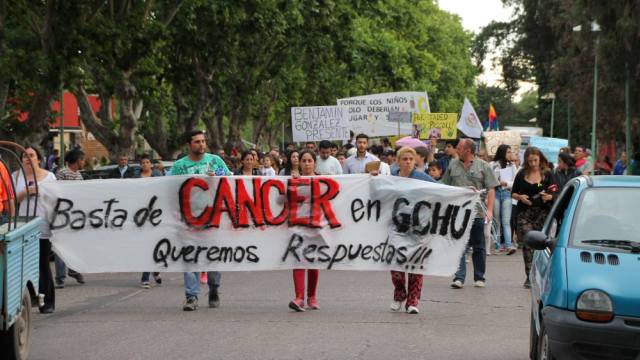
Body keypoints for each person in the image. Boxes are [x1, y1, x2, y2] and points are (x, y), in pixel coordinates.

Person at [171, 130, 232, 311]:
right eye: (197, 142)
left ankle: (214, 289)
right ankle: (191, 296)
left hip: (213, 216)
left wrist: (218, 178)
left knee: (213, 256)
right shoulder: (179, 166)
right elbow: (167, 186)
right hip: (188, 218)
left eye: (203, 141)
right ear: (189, 145)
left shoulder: (215, 161)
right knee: (190, 257)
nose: (201, 145)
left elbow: (231, 179)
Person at [441, 138, 498, 289]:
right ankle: (459, 277)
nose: (456, 149)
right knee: (459, 244)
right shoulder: (452, 165)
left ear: (468, 150)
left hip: (477, 212)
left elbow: (491, 188)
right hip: (457, 212)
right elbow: (444, 185)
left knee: (479, 246)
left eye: (459, 147)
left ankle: (480, 277)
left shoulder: (484, 166)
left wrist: (490, 210)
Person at [389, 147, 435, 314]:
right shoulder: (391, 176)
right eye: (404, 159)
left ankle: (413, 300)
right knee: (396, 264)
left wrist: (464, 190)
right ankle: (399, 293)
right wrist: (372, 178)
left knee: (416, 264)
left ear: (415, 161)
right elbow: (377, 192)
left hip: (418, 228)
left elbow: (442, 189)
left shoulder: (422, 177)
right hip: (397, 227)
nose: (408, 162)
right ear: (398, 160)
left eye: (411, 159)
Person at [12, 146, 56, 313]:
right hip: (23, 227)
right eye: (24, 156)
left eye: (31, 155)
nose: (28, 159)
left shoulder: (49, 176)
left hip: (43, 226)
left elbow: (56, 199)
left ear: (38, 159)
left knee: (42, 264)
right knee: (24, 266)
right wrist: (25, 192)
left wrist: (40, 192)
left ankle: (48, 301)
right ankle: (29, 299)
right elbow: (11, 200)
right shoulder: (16, 177)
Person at [511, 147, 554, 289]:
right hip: (524, 213)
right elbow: (513, 193)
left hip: (542, 213)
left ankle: (541, 274)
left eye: (535, 160)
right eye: (530, 161)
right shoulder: (521, 174)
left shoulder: (547, 174)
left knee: (540, 245)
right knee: (528, 244)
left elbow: (555, 190)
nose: (533, 164)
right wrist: (520, 197)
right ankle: (529, 276)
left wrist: (549, 196)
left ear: (540, 159)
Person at [288, 149, 322, 312]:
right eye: (304, 161)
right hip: (297, 226)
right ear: (299, 163)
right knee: (298, 260)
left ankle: (312, 297)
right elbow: (279, 200)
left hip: (317, 226)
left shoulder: (324, 180)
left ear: (315, 163)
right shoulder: (292, 180)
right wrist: (292, 185)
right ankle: (299, 298)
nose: (307, 164)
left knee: (314, 261)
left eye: (310, 161)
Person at [54, 149, 86, 288]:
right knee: (60, 245)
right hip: (62, 215)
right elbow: (58, 192)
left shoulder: (79, 175)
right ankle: (60, 276)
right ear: (77, 160)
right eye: (83, 159)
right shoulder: (62, 173)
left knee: (75, 245)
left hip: (76, 215)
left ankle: (73, 270)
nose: (84, 162)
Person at [136, 154, 163, 289]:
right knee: (147, 248)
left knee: (156, 246)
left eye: (147, 162)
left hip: (157, 216)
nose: (145, 164)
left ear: (151, 164)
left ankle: (156, 271)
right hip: (141, 216)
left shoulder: (157, 175)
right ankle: (145, 277)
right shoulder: (136, 177)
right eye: (143, 162)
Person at [490, 145, 518, 255]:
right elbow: (489, 179)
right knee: (497, 221)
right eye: (508, 152)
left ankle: (509, 245)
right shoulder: (492, 165)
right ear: (502, 153)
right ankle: (497, 245)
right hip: (495, 193)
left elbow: (515, 182)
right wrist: (498, 182)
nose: (510, 154)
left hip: (507, 193)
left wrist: (506, 183)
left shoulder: (512, 166)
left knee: (506, 221)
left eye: (511, 152)